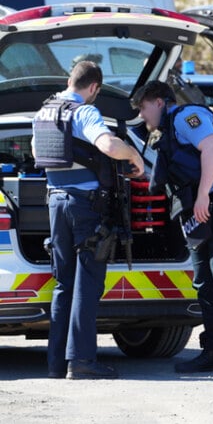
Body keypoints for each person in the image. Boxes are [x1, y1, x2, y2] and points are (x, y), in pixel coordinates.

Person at [131, 80, 213, 374]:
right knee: (203, 279)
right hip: (201, 207)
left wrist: (202, 195)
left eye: (143, 107)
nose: (142, 114)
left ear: (159, 102)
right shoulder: (165, 133)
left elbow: (212, 149)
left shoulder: (188, 118)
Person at [32, 61, 145, 379]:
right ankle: (81, 361)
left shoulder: (44, 112)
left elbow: (36, 152)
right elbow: (108, 145)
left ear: (71, 80)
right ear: (94, 87)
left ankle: (57, 364)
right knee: (87, 283)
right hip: (85, 208)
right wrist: (134, 156)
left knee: (64, 283)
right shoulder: (84, 112)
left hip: (55, 203)